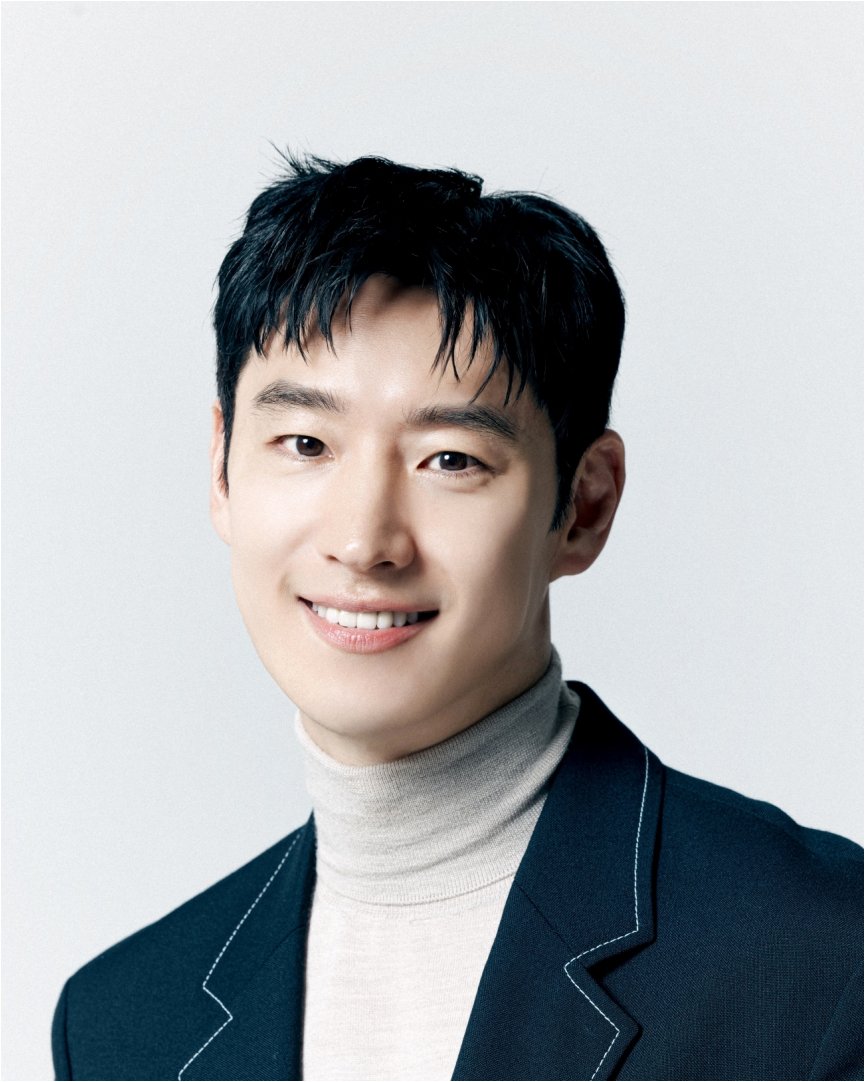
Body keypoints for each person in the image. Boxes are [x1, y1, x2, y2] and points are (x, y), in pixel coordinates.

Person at [52, 153, 862, 1082]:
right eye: (305, 443)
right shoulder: (123, 1024)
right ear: (222, 469)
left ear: (584, 504)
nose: (363, 541)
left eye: (450, 460)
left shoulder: (823, 959)